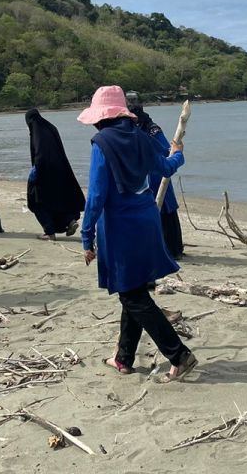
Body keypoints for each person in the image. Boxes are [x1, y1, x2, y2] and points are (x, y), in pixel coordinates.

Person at [77, 86, 197, 383]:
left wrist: (86, 235)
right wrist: (179, 155)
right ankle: (123, 358)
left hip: (120, 227)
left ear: (100, 117)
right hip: (146, 220)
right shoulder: (141, 136)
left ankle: (179, 355)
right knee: (134, 290)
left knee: (131, 295)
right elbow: (165, 166)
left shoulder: (101, 144)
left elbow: (96, 196)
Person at [126, 92, 184, 259]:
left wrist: (174, 155)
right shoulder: (127, 129)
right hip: (142, 179)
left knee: (165, 211)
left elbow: (167, 150)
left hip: (156, 175)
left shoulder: (151, 129)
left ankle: (172, 250)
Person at [24, 108, 83, 240]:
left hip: (44, 171)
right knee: (59, 198)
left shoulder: (37, 131)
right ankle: (69, 220)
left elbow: (40, 153)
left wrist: (36, 171)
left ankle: (49, 232)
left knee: (36, 200)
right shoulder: (50, 127)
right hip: (61, 171)